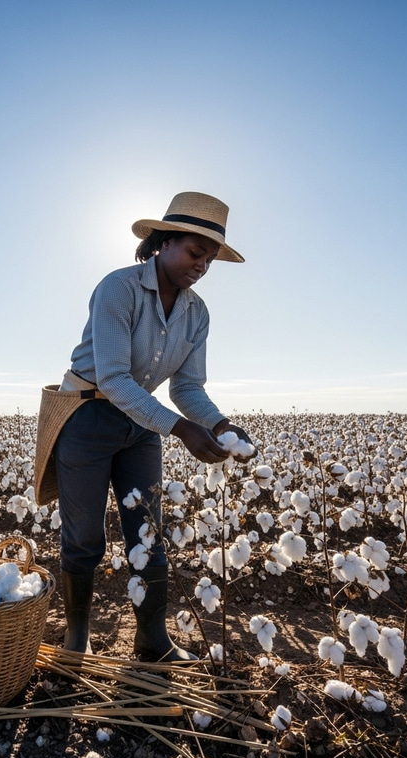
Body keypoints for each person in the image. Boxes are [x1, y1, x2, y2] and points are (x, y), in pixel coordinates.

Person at [47, 191, 256, 662]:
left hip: (140, 421)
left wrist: (220, 424)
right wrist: (182, 431)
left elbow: (186, 388)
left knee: (149, 533)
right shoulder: (118, 289)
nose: (202, 265)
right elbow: (114, 379)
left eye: (209, 259)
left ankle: (152, 641)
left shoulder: (196, 313)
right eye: (195, 252)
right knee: (83, 537)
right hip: (86, 417)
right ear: (163, 242)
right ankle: (76, 638)